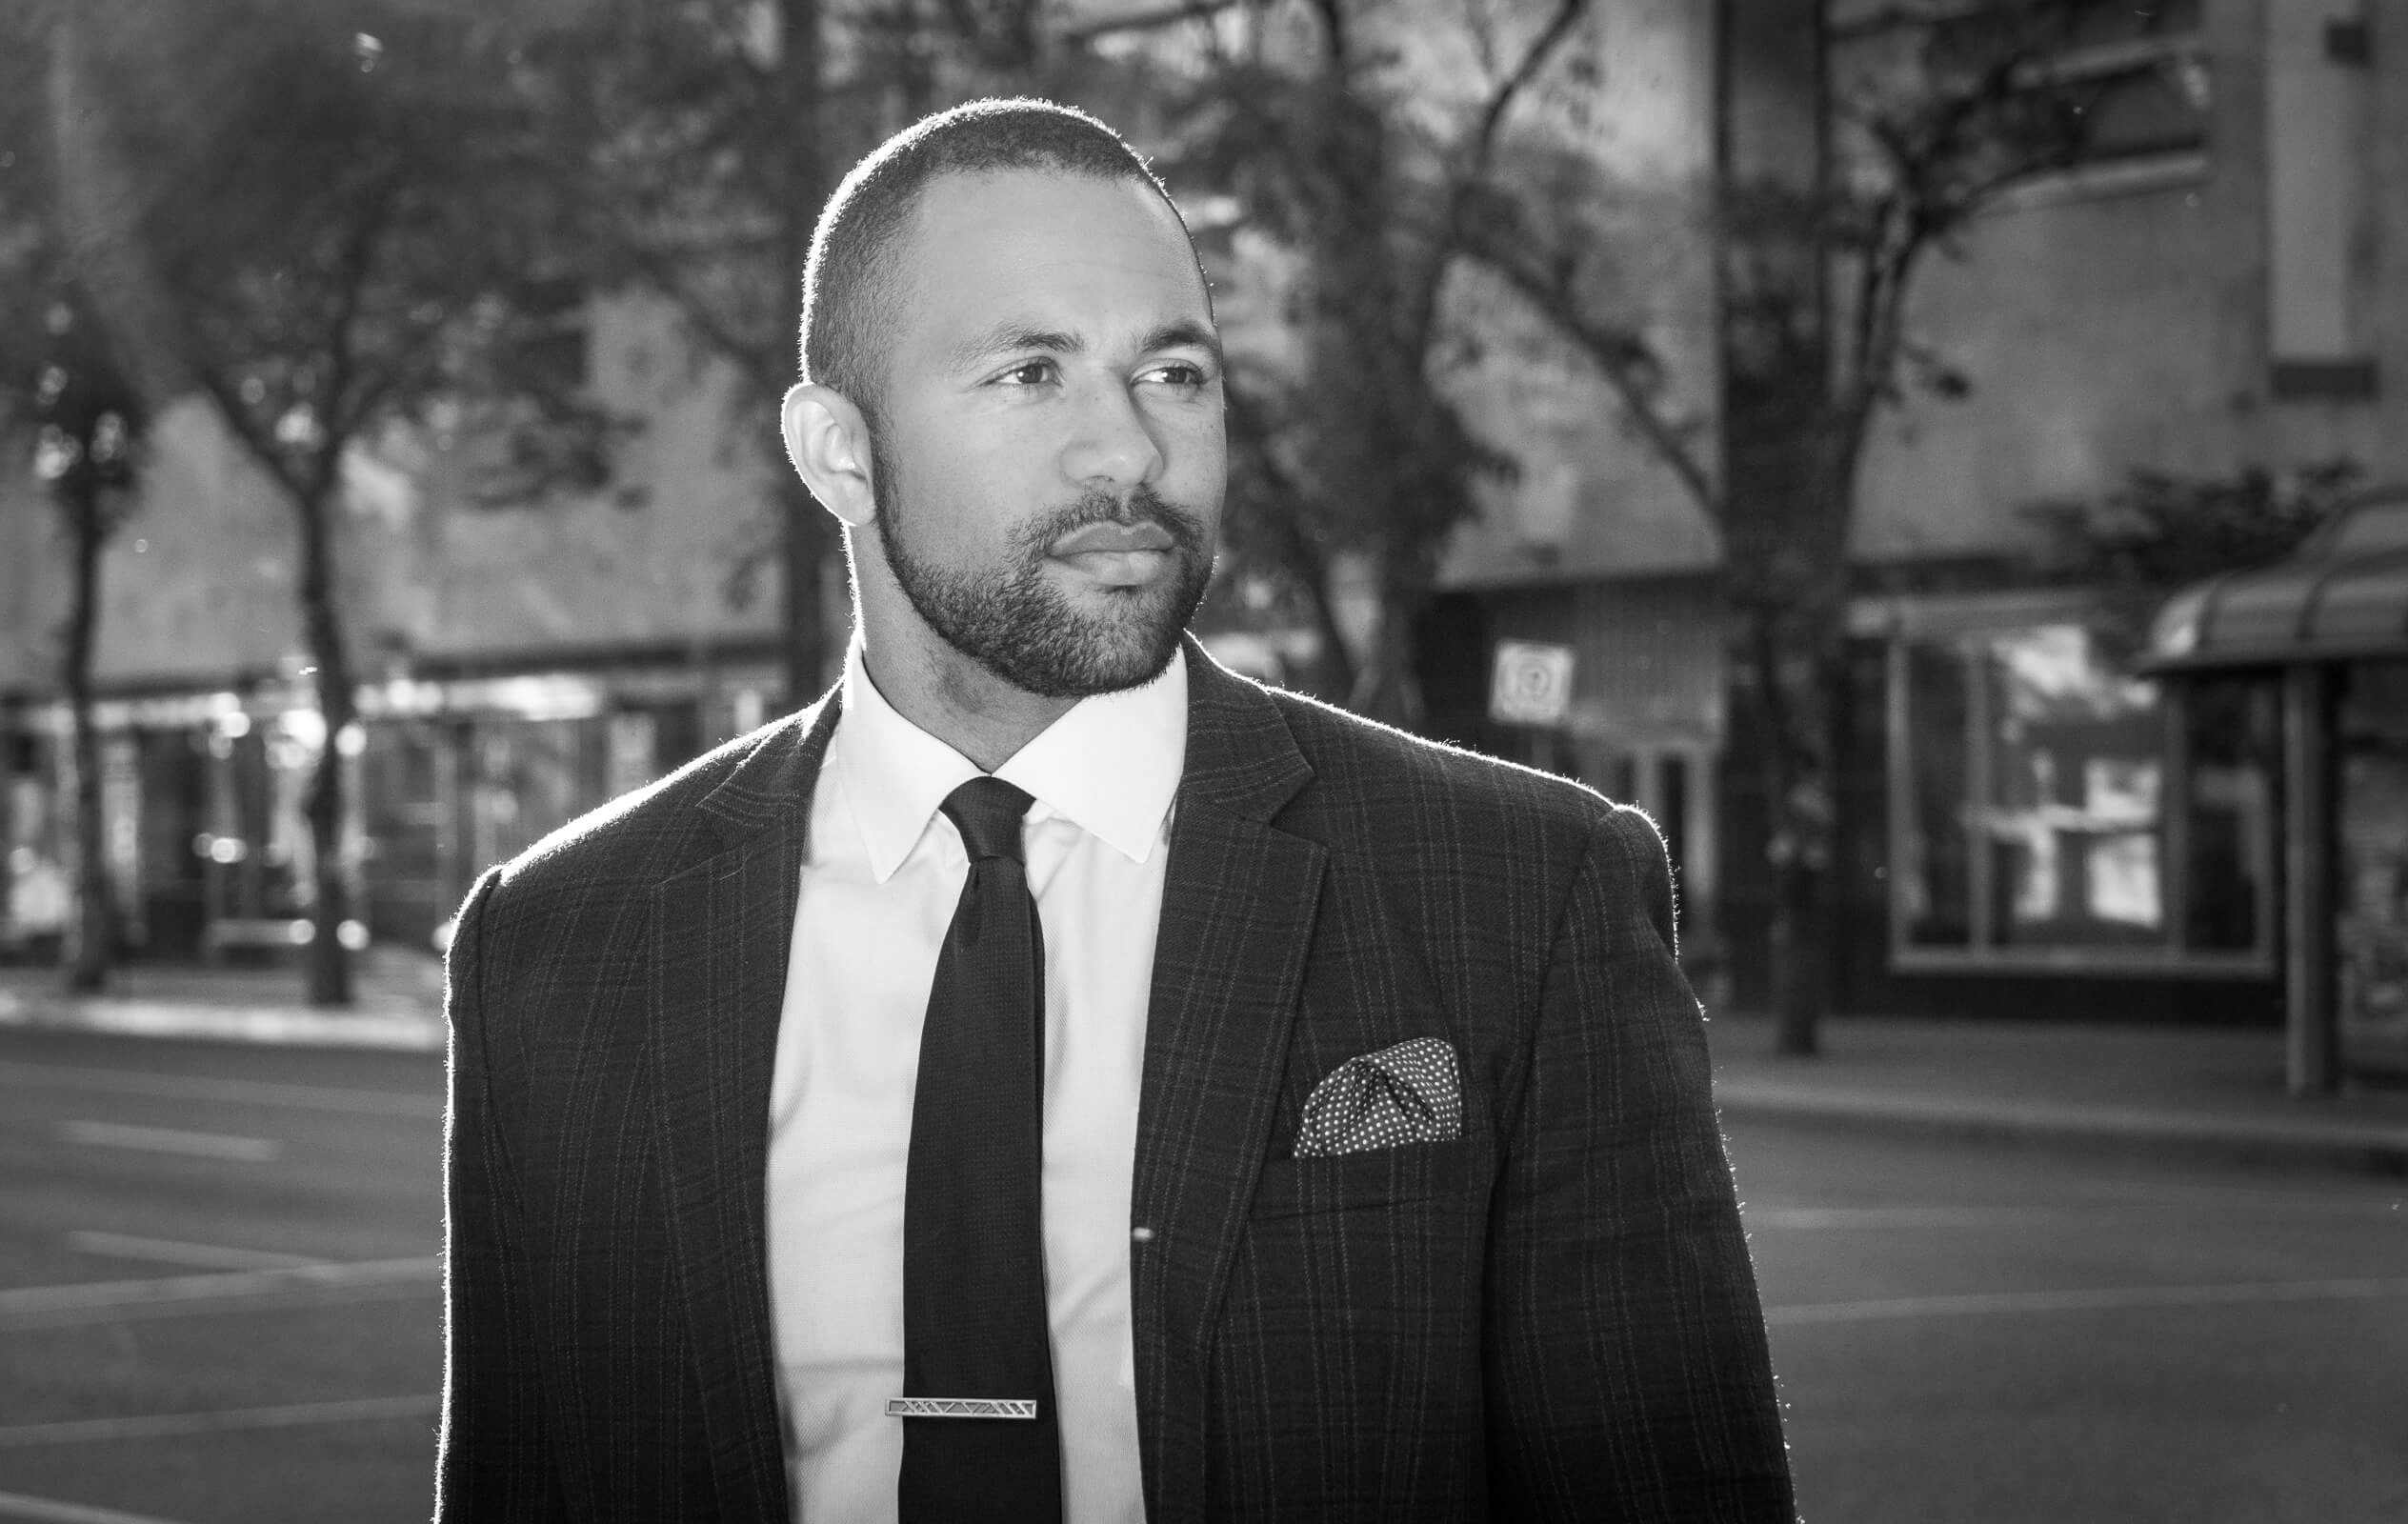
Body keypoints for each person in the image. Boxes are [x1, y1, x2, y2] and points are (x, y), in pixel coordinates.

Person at [435, 97, 1794, 1524]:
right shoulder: (558, 945)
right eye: (1032, 373)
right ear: (838, 452)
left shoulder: (1525, 889)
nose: (1128, 455)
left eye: (1174, 374)